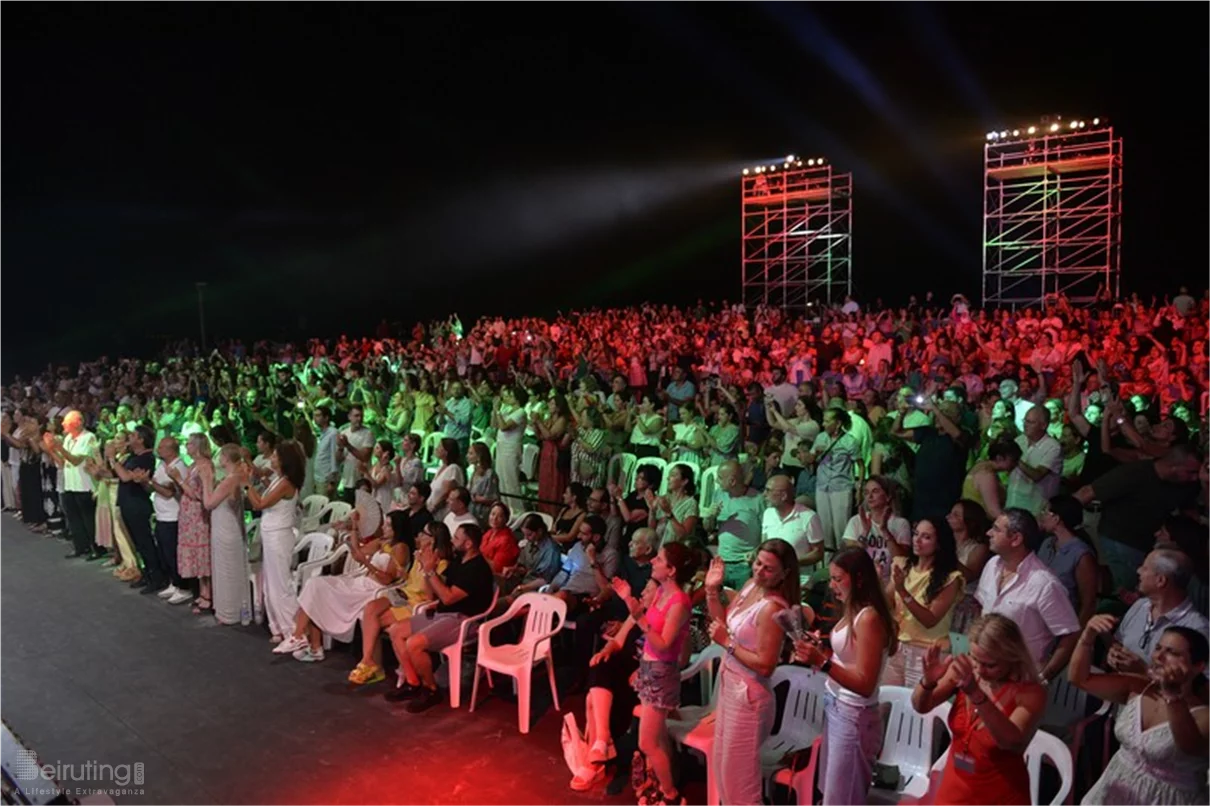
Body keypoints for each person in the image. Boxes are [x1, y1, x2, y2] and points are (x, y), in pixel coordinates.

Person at [793, 548, 896, 806]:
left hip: (854, 715)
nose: (832, 585)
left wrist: (822, 662)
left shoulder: (869, 618)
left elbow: (865, 683)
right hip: (838, 707)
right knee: (831, 793)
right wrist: (820, 651)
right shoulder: (853, 610)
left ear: (859, 579)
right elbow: (846, 660)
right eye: (832, 578)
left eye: (839, 579)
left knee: (842, 798)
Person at [911, 614, 1047, 806]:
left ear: (1012, 658)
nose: (980, 670)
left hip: (999, 795)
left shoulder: (1030, 692)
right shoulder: (964, 670)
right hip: (954, 789)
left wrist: (976, 694)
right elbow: (920, 706)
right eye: (975, 659)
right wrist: (928, 682)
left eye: (990, 665)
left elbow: (1011, 742)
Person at [1072, 617, 1210, 806]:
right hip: (1112, 790)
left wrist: (1172, 695)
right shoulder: (1139, 687)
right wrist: (1087, 637)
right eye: (1158, 648)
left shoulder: (1203, 714)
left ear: (1198, 666)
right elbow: (1080, 679)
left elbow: (1190, 746)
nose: (1158, 657)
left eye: (1171, 652)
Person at [706, 539, 797, 806]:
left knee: (740, 788)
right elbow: (720, 626)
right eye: (758, 563)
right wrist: (712, 591)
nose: (759, 571)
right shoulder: (750, 586)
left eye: (768, 569)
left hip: (749, 699)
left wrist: (728, 644)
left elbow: (766, 665)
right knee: (723, 774)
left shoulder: (773, 607)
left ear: (784, 574)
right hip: (730, 688)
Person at [603, 543, 696, 805]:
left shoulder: (679, 601)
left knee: (647, 743)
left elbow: (664, 643)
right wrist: (629, 599)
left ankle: (671, 795)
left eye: (659, 559)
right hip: (648, 668)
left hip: (660, 673)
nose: (653, 561)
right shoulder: (662, 592)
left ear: (672, 569)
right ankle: (662, 784)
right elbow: (644, 619)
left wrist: (638, 618)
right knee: (655, 738)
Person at [386, 522, 494, 713]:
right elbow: (433, 594)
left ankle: (431, 689)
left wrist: (430, 571)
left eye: (457, 538)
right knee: (395, 631)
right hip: (444, 613)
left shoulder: (477, 569)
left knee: (414, 644)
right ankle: (413, 683)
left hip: (464, 621)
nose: (452, 541)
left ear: (468, 544)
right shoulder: (458, 562)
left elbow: (448, 596)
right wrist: (427, 571)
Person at [275, 509, 410, 662]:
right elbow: (356, 552)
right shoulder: (381, 542)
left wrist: (367, 563)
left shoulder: (400, 548)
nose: (384, 528)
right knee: (314, 585)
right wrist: (353, 527)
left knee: (318, 588)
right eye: (385, 524)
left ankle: (304, 641)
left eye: (388, 526)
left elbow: (387, 579)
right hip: (360, 582)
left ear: (398, 529)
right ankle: (303, 639)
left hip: (373, 589)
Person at [976, 509, 1080, 683]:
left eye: (996, 529)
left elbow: (1070, 634)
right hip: (983, 672)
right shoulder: (992, 565)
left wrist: (1045, 677)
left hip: (1021, 680)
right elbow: (980, 609)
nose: (988, 533)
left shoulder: (1044, 583)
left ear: (1016, 539)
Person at [885, 517, 964, 686]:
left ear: (939, 544)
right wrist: (877, 579)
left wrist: (902, 591)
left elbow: (930, 620)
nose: (917, 540)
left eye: (926, 537)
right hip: (898, 646)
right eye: (915, 534)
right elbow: (887, 603)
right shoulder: (902, 565)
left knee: (917, 708)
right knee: (886, 705)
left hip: (927, 653)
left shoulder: (951, 579)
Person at [241, 441, 304, 642]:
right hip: (270, 534)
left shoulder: (286, 483)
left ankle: (293, 630)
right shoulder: (279, 479)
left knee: (280, 585)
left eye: (275, 456)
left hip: (279, 536)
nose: (272, 459)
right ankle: (277, 626)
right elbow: (265, 488)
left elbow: (259, 503)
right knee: (269, 583)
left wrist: (246, 484)